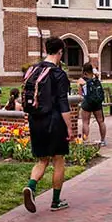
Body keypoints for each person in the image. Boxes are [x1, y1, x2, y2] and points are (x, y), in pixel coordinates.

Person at [22, 37, 73, 213]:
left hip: (35, 120)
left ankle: (31, 186)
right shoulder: (58, 74)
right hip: (54, 121)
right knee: (58, 159)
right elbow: (63, 103)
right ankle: (56, 201)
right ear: (60, 52)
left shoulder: (33, 70)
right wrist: (69, 127)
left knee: (42, 159)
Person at [78, 63, 107, 145]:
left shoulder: (81, 81)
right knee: (101, 121)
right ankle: (103, 140)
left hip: (87, 103)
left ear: (84, 71)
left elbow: (80, 95)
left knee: (85, 122)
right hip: (97, 103)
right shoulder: (96, 79)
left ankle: (85, 140)